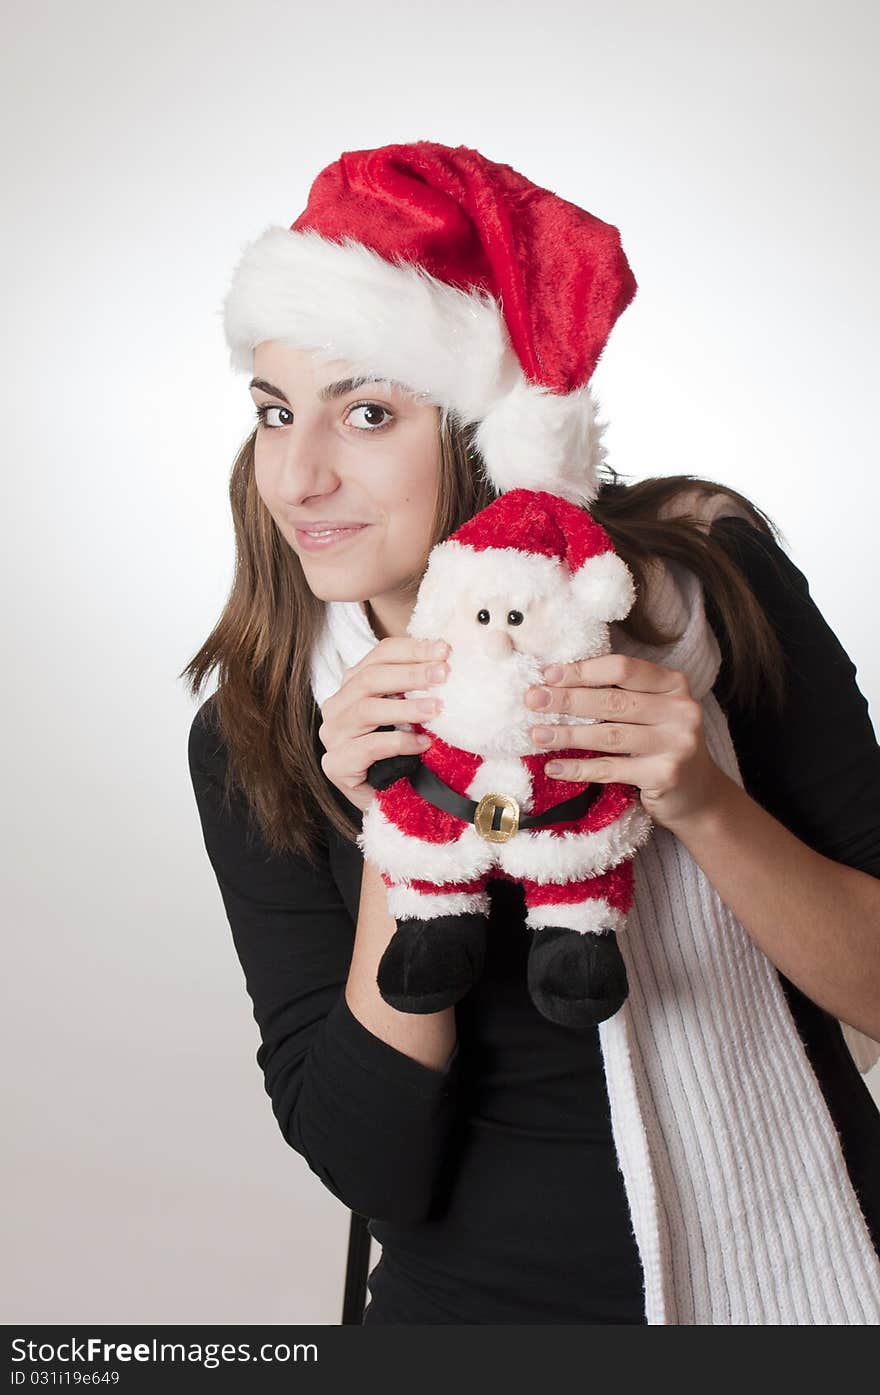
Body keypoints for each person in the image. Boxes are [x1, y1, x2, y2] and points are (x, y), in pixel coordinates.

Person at [183, 142, 880, 1324]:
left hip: (810, 1283)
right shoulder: (260, 728)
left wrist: (705, 804)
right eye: (272, 413)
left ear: (488, 437)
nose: (296, 476)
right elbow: (369, 1167)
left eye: (363, 412)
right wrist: (397, 828)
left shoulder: (712, 604)